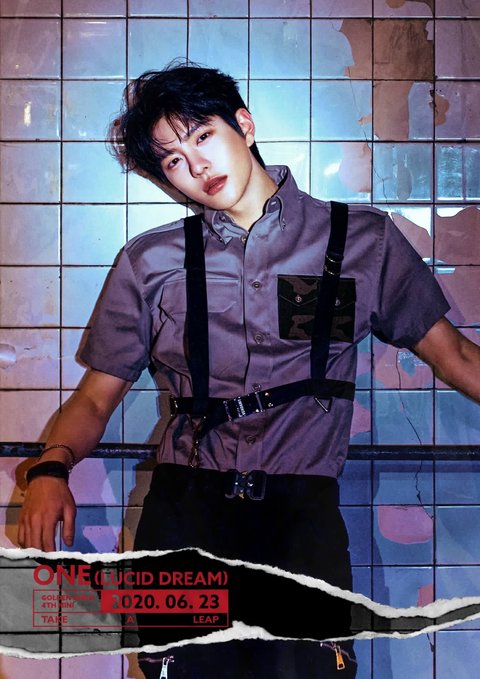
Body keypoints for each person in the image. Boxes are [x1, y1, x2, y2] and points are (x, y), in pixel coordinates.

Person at [18, 63, 480, 677]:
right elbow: (95, 398)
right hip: (185, 513)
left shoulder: (361, 240)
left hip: (301, 519)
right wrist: (52, 468)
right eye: (174, 160)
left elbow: (457, 356)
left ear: (244, 124)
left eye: (202, 136)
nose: (197, 166)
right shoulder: (150, 260)